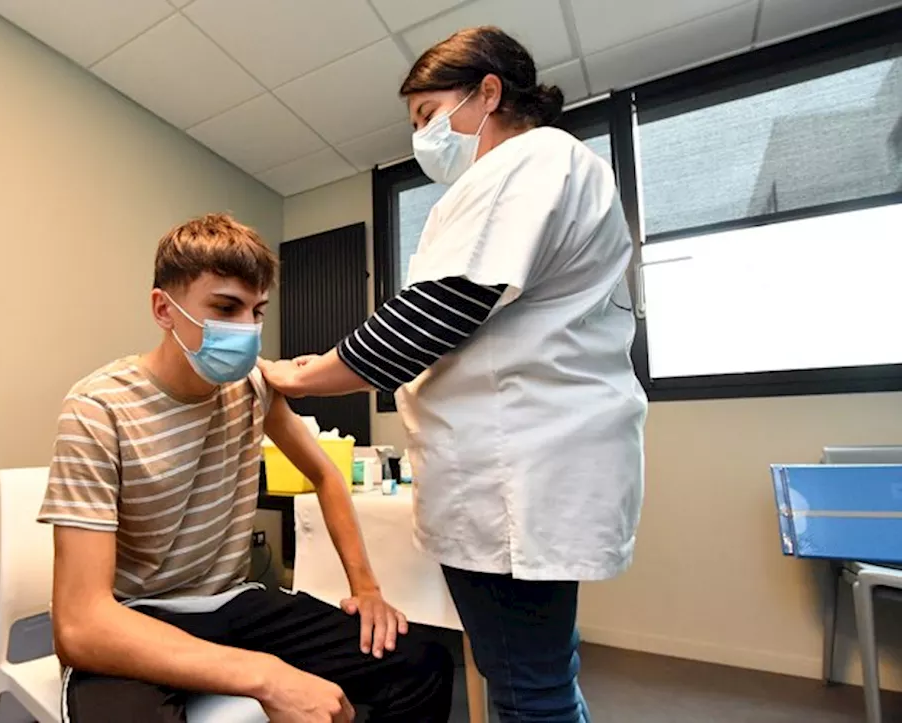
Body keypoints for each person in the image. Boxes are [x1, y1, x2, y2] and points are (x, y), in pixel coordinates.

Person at [259, 26, 647, 723]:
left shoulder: (530, 162)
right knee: (541, 674)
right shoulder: (537, 176)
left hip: (516, 475)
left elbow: (429, 318)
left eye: (428, 115)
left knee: (527, 688)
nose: (422, 137)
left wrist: (294, 376)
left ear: (488, 92)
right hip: (525, 466)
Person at [40, 213, 453, 723]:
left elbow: (325, 474)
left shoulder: (253, 387)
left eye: (257, 311)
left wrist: (365, 589)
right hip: (137, 617)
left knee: (421, 663)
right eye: (225, 308)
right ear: (163, 309)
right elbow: (79, 625)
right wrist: (267, 676)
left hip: (232, 603)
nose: (248, 330)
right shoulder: (98, 408)